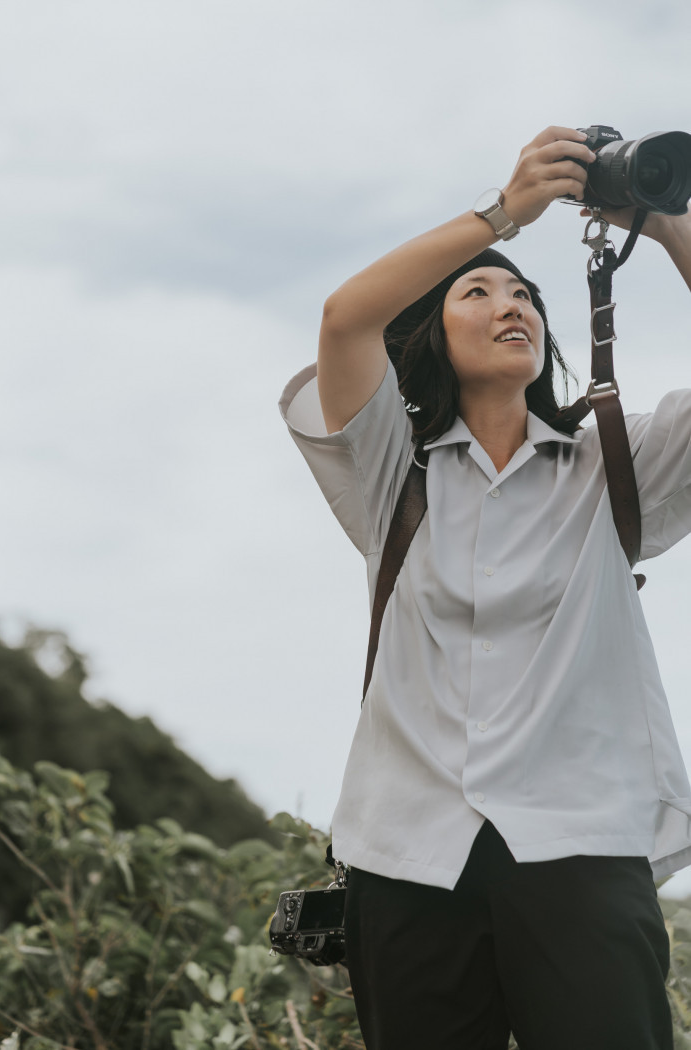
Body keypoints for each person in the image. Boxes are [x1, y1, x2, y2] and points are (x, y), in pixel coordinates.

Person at [278, 126, 691, 1050]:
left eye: (524, 294)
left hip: (581, 845)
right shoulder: (391, 475)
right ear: (432, 332)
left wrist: (666, 225)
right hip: (408, 857)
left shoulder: (614, 468)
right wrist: (507, 214)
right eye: (478, 290)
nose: (510, 303)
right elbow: (346, 319)